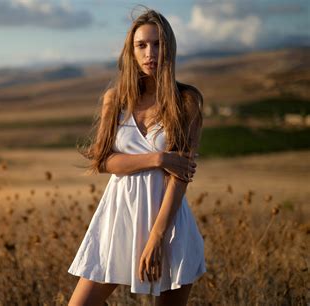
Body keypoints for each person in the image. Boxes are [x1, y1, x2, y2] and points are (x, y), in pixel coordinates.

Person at [67, 7, 206, 306]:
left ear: (169, 48)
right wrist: (158, 159)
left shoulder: (187, 101)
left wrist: (157, 237)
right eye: (141, 45)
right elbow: (103, 161)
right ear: (131, 52)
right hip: (118, 218)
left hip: (168, 225)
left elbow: (180, 177)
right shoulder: (115, 99)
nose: (150, 53)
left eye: (157, 44)